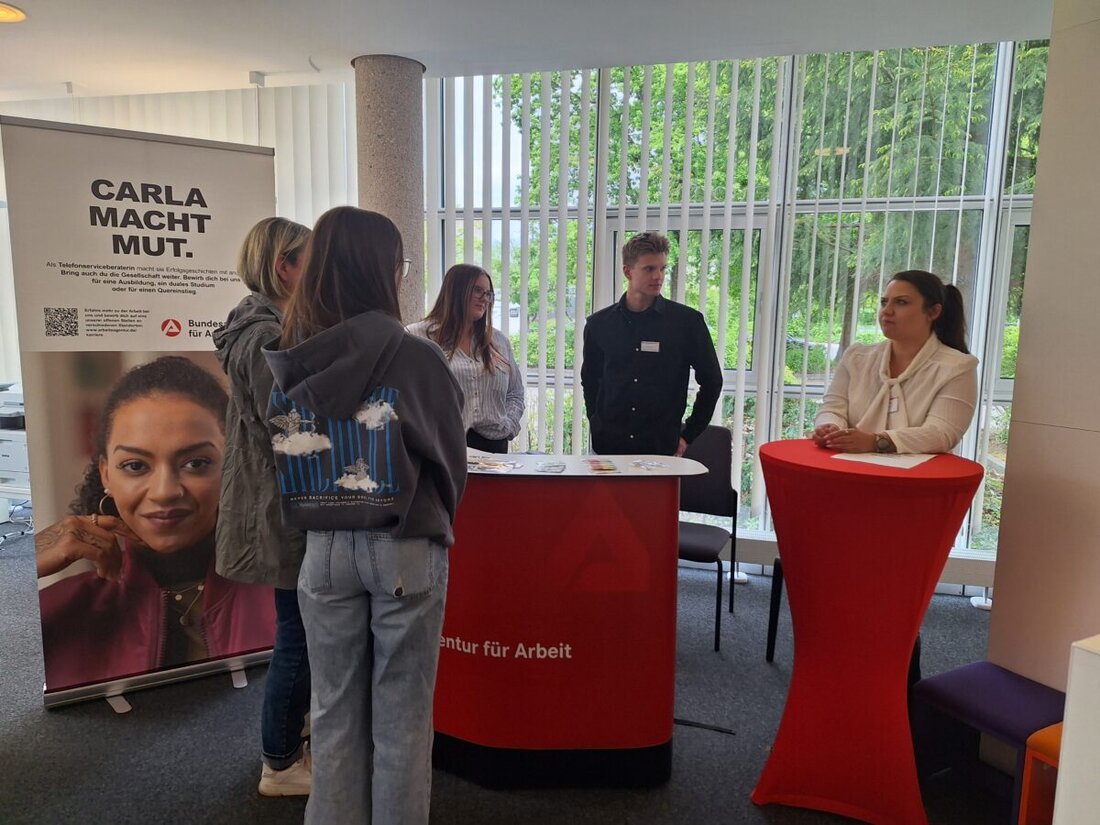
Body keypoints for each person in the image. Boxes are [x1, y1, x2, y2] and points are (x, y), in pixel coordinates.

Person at [262, 206, 467, 825]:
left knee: (331, 715)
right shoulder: (418, 357)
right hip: (404, 543)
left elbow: (284, 457)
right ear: (385, 270)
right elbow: (451, 465)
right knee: (403, 718)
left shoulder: (288, 360)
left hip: (322, 547)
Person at [36, 356, 275, 691]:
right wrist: (15, 568)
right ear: (106, 473)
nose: (164, 492)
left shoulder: (295, 599)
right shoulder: (54, 613)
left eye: (196, 463)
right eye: (135, 465)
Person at [213, 217, 312, 796]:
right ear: (284, 267)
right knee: (296, 637)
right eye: (311, 263)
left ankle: (289, 744)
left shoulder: (265, 327)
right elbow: (290, 431)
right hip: (281, 510)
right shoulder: (265, 336)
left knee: (297, 631)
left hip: (280, 506)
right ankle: (279, 762)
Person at [581, 230, 723, 456]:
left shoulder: (686, 323)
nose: (658, 276)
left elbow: (712, 381)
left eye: (662, 268)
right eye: (649, 269)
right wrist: (596, 422)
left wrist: (689, 434)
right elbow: (590, 380)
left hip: (661, 449)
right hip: (609, 447)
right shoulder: (599, 325)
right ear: (628, 271)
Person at [812, 269, 979, 454]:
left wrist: (876, 442)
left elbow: (941, 433)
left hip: (917, 478)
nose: (887, 311)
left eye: (901, 302)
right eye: (884, 302)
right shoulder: (856, 357)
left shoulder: (957, 367)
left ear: (933, 312)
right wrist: (830, 428)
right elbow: (833, 409)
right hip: (848, 470)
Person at [406, 263, 524, 453]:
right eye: (478, 291)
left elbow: (515, 393)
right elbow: (407, 396)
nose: (484, 299)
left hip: (495, 449)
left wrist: (509, 425)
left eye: (488, 294)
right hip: (441, 449)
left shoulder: (499, 341)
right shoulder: (417, 336)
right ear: (456, 291)